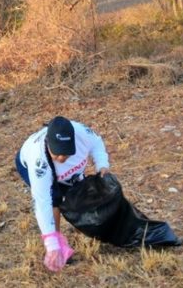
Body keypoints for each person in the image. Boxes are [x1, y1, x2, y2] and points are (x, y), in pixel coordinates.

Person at [15, 116, 111, 273]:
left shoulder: (81, 133)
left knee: (81, 196)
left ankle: (87, 233)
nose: (61, 158)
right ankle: (58, 244)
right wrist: (51, 243)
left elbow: (97, 144)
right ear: (48, 143)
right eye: (57, 154)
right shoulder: (39, 163)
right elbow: (42, 202)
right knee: (54, 200)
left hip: (68, 174)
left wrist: (102, 165)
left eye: (66, 154)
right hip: (27, 164)